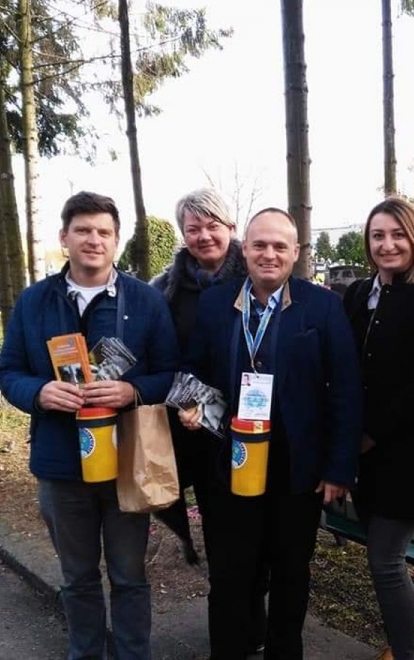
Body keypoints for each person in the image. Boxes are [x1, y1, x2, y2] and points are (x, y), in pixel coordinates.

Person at [0, 191, 180, 660]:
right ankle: (85, 653)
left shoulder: (145, 301)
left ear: (116, 241)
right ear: (64, 238)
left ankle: (133, 655)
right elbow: (9, 371)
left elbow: (170, 373)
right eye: (83, 230)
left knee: (129, 576)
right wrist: (39, 393)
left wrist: (132, 391)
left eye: (103, 232)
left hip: (127, 464)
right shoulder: (34, 301)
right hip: (60, 466)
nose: (93, 240)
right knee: (77, 578)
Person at [179, 207, 362, 660]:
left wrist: (339, 469)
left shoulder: (323, 306)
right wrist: (192, 404)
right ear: (244, 248)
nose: (269, 254)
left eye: (280, 246)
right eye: (259, 244)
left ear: (296, 252)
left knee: (290, 574)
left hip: (297, 468)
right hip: (230, 460)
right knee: (229, 573)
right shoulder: (216, 303)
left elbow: (345, 389)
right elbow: (193, 369)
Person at [149, 187, 268, 653]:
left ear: (231, 228)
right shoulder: (166, 289)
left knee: (254, 534)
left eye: (212, 225)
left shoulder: (256, 277)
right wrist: (188, 403)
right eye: (193, 228)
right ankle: (232, 633)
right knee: (221, 539)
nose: (203, 236)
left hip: (251, 429)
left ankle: (252, 625)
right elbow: (164, 357)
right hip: (192, 431)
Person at [342, 197, 414, 660]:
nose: (387, 245)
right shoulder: (358, 295)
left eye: (397, 235)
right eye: (378, 236)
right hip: (363, 458)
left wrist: (372, 432)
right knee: (379, 555)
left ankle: (406, 654)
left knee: (385, 560)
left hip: (409, 459)